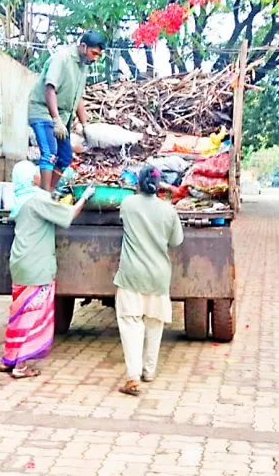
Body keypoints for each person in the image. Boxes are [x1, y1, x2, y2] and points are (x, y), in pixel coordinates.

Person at [1, 161, 94, 379]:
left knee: (19, 311)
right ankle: (21, 366)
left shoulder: (20, 199)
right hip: (37, 264)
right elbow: (68, 216)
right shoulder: (37, 199)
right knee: (32, 314)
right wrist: (84, 197)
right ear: (30, 178)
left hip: (20, 260)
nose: (37, 176)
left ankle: (9, 359)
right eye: (35, 174)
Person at [114, 166, 184, 396]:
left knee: (131, 323)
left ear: (138, 184)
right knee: (154, 323)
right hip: (158, 276)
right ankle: (149, 371)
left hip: (131, 275)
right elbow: (176, 241)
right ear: (159, 185)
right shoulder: (169, 211)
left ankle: (133, 377)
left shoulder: (128, 204)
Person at [28, 30, 107, 191]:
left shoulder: (83, 66)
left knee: (64, 157)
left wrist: (85, 126)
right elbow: (50, 88)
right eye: (94, 53)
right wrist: (56, 120)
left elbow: (78, 97)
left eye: (98, 55)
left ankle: (50, 190)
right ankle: (44, 197)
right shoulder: (62, 58)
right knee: (49, 153)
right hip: (43, 111)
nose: (95, 58)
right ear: (83, 47)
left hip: (62, 118)